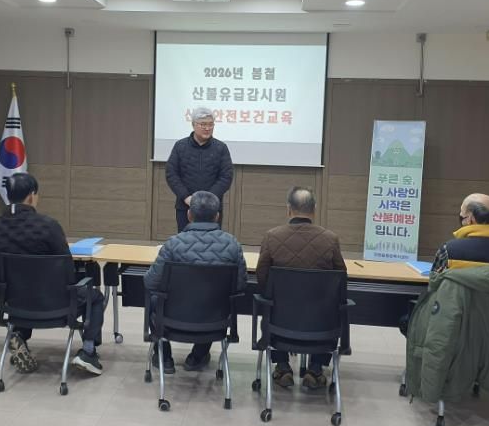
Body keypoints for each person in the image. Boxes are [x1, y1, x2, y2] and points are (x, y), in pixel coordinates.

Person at [0, 172, 105, 376]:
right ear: (32, 196)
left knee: (23, 286)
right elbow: (67, 269)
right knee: (96, 297)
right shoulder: (48, 226)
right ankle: (88, 352)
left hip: (15, 303)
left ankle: (19, 334)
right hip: (56, 304)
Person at [144, 190, 246, 373]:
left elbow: (151, 282)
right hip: (215, 322)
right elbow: (240, 286)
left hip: (172, 320)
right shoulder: (232, 245)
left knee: (153, 300)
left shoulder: (172, 244)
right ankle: (198, 356)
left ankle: (164, 357)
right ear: (217, 216)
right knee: (216, 300)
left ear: (189, 215)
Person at [256, 186, 347, 389]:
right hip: (320, 327)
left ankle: (282, 367)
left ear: (288, 209)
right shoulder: (330, 239)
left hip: (280, 325)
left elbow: (262, 278)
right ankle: (315, 370)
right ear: (314, 210)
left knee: (271, 307)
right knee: (328, 310)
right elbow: (341, 281)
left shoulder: (272, 237)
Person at [165, 107, 233, 232]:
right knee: (185, 240)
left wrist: (208, 199)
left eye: (211, 124)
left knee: (212, 241)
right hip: (186, 206)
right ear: (193, 125)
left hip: (212, 208)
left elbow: (226, 177)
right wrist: (186, 197)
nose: (207, 128)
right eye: (203, 124)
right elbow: (171, 174)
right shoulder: (180, 146)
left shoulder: (221, 148)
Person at [430, 193, 489, 273]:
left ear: (470, 218)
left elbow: (434, 281)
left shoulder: (448, 250)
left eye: (462, 212)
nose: (460, 215)